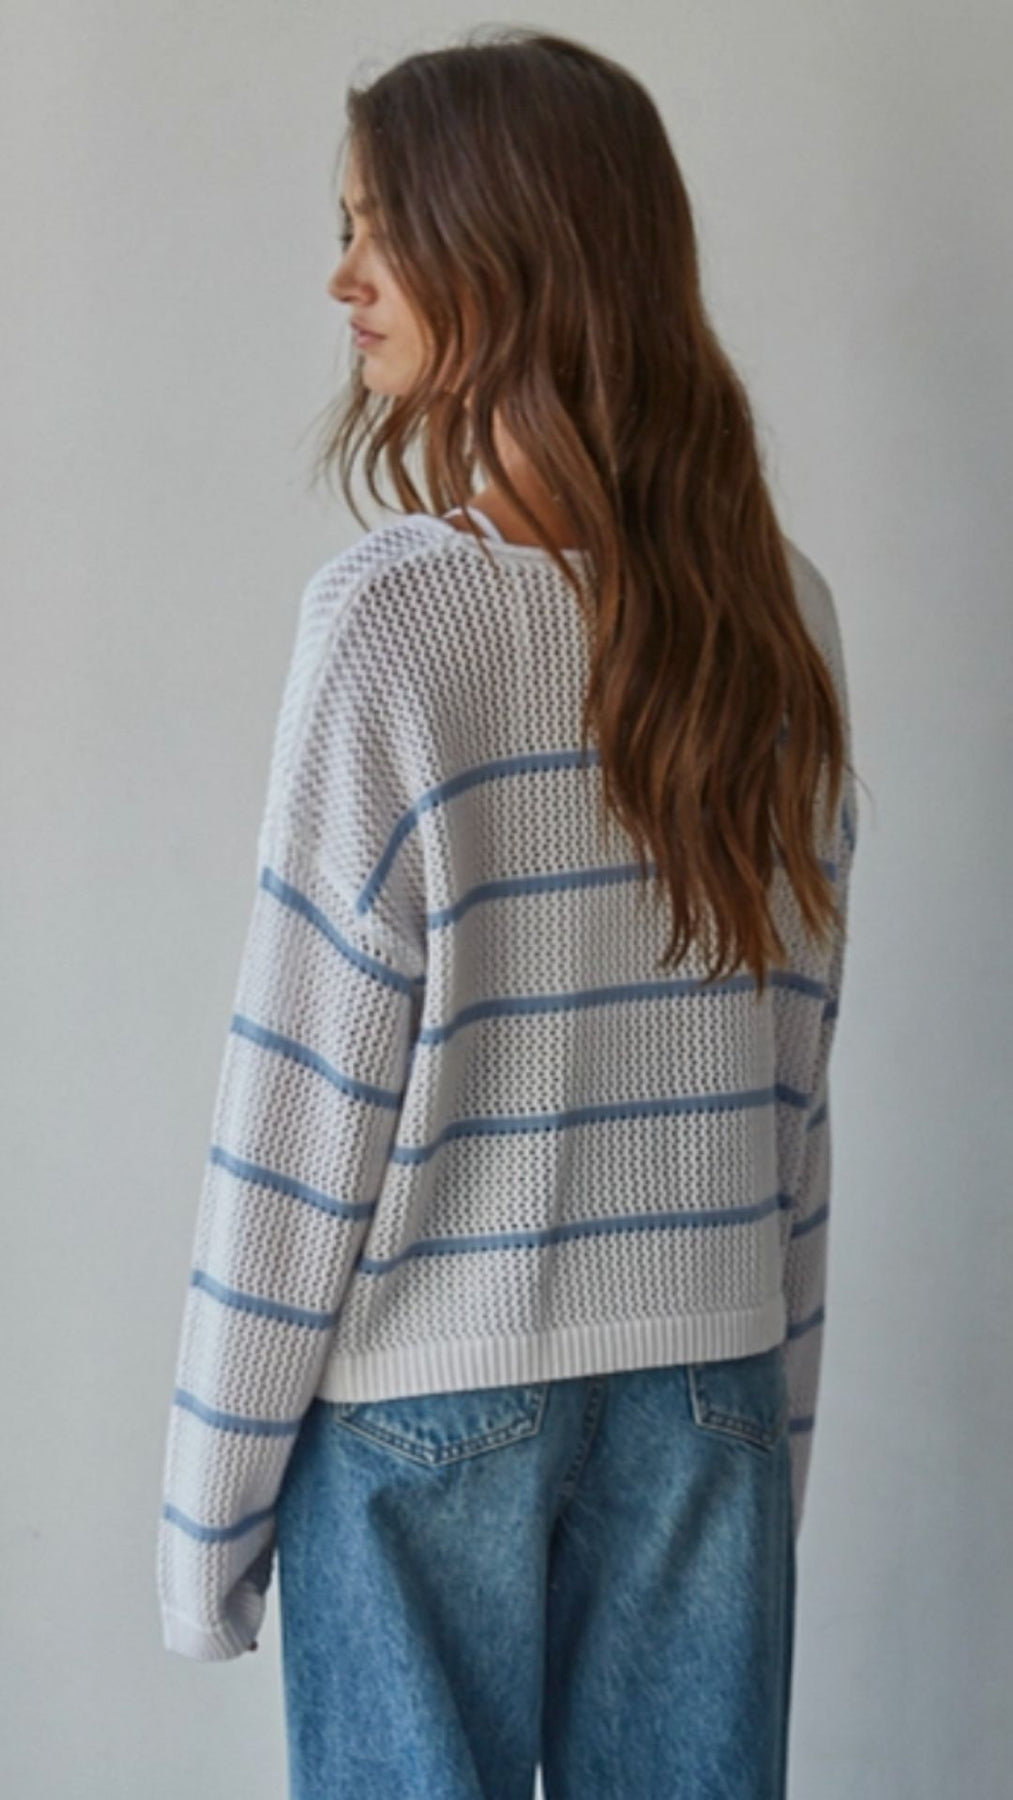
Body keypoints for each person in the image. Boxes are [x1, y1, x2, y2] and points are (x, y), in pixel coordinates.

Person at [157, 27, 861, 1800]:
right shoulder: (782, 617)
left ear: (508, 250)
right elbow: (793, 1088)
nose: (343, 278)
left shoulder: (395, 622)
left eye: (379, 231)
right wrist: (763, 1425)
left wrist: (207, 1515)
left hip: (425, 1403)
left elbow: (302, 1099)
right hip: (705, 1381)